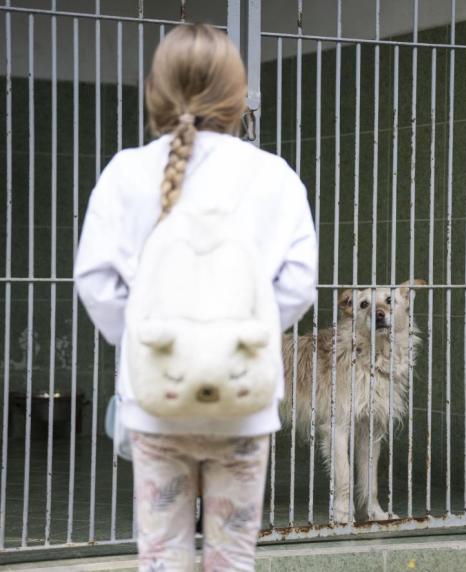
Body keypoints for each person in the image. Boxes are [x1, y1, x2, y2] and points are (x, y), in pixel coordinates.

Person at [74, 24, 317, 571]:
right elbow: (300, 283)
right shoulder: (274, 177)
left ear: (156, 91)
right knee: (232, 560)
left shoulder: (125, 173)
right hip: (244, 403)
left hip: (157, 403)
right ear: (237, 96)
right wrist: (241, 340)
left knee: (162, 558)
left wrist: (148, 344)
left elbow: (95, 281)